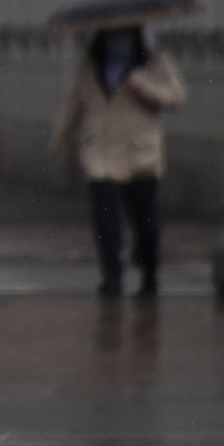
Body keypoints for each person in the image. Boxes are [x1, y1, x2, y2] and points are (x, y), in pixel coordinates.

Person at [53, 24, 186, 298]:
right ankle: (111, 276)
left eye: (123, 35)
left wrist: (143, 85)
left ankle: (149, 273)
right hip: (100, 153)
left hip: (140, 154)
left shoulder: (154, 62)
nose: (118, 42)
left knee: (145, 222)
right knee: (105, 220)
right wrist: (60, 137)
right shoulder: (91, 66)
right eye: (112, 35)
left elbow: (175, 97)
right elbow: (74, 102)